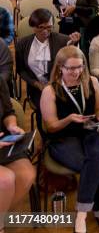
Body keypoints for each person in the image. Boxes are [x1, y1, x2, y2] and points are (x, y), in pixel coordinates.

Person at [40, 46, 99, 233]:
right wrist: (68, 119)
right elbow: (51, 126)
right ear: (60, 68)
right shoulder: (50, 91)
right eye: (70, 68)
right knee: (94, 163)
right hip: (63, 137)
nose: (76, 72)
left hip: (90, 130)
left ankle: (81, 215)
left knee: (94, 159)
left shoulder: (91, 81)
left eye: (80, 67)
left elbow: (98, 109)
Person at [15, 8, 80, 133]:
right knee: (43, 108)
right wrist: (37, 84)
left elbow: (72, 61)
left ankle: (66, 134)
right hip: (36, 87)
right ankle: (46, 136)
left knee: (65, 105)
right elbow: (21, 70)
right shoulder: (22, 44)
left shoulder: (63, 40)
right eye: (40, 27)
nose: (45, 31)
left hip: (60, 84)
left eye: (49, 27)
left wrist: (74, 44)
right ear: (32, 26)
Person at [0, 77, 36, 233]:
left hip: (3, 142)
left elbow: (8, 112)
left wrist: (12, 125)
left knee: (27, 174)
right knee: (6, 180)